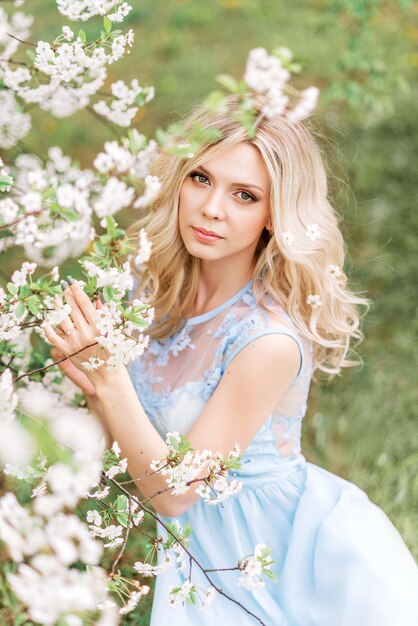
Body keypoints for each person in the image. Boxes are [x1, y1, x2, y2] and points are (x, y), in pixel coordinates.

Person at [46, 94, 418, 625]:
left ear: (274, 215)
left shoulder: (267, 340)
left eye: (244, 195)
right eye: (201, 178)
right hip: (194, 542)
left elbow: (176, 495)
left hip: (270, 556)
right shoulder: (143, 290)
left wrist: (106, 380)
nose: (212, 208)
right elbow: (115, 436)